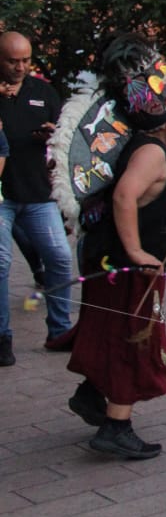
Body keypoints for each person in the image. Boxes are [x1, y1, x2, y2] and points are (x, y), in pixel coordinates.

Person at [64, 34, 166, 459]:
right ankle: (116, 427)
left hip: (113, 263)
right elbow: (123, 196)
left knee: (109, 331)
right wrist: (138, 252)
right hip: (127, 268)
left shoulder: (139, 145)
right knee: (131, 341)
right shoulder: (150, 152)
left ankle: (91, 394)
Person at [0, 30, 72, 365]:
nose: (20, 67)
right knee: (1, 264)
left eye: (26, 60)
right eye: (12, 61)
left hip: (38, 193)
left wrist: (53, 135)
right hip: (2, 195)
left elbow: (65, 134)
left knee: (59, 257)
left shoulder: (43, 91)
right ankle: (2, 338)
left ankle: (59, 330)